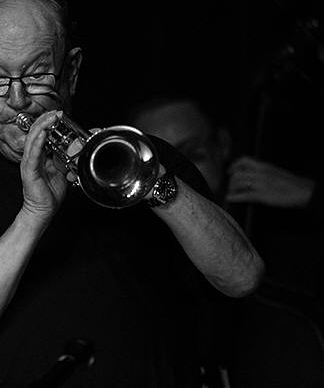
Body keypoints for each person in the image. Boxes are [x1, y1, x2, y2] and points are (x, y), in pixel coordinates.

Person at [0, 0, 264, 388]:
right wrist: (34, 214)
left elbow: (243, 277)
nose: (17, 100)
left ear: (71, 71)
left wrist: (149, 182)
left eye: (37, 74)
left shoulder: (147, 158)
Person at [127, 93, 324, 387]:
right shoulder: (136, 253)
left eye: (194, 155)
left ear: (222, 145)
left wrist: (312, 195)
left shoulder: (288, 233)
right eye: (161, 163)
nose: (181, 173)